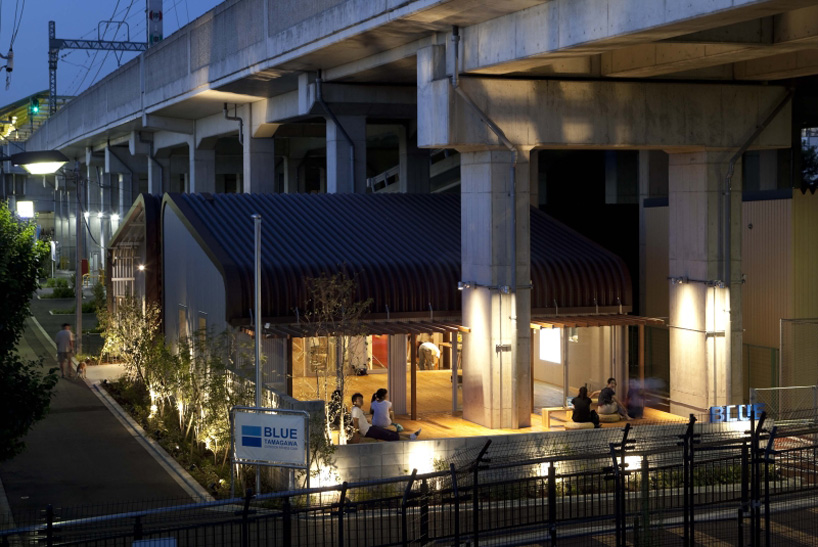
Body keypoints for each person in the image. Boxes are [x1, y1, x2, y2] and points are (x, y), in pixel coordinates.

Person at [350, 393, 421, 442]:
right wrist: (356, 434)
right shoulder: (355, 410)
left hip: (370, 428)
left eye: (361, 399)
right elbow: (355, 422)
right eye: (359, 400)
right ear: (354, 402)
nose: (361, 401)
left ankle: (410, 436)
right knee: (388, 435)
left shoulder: (357, 409)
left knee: (389, 432)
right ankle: (409, 439)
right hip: (368, 431)